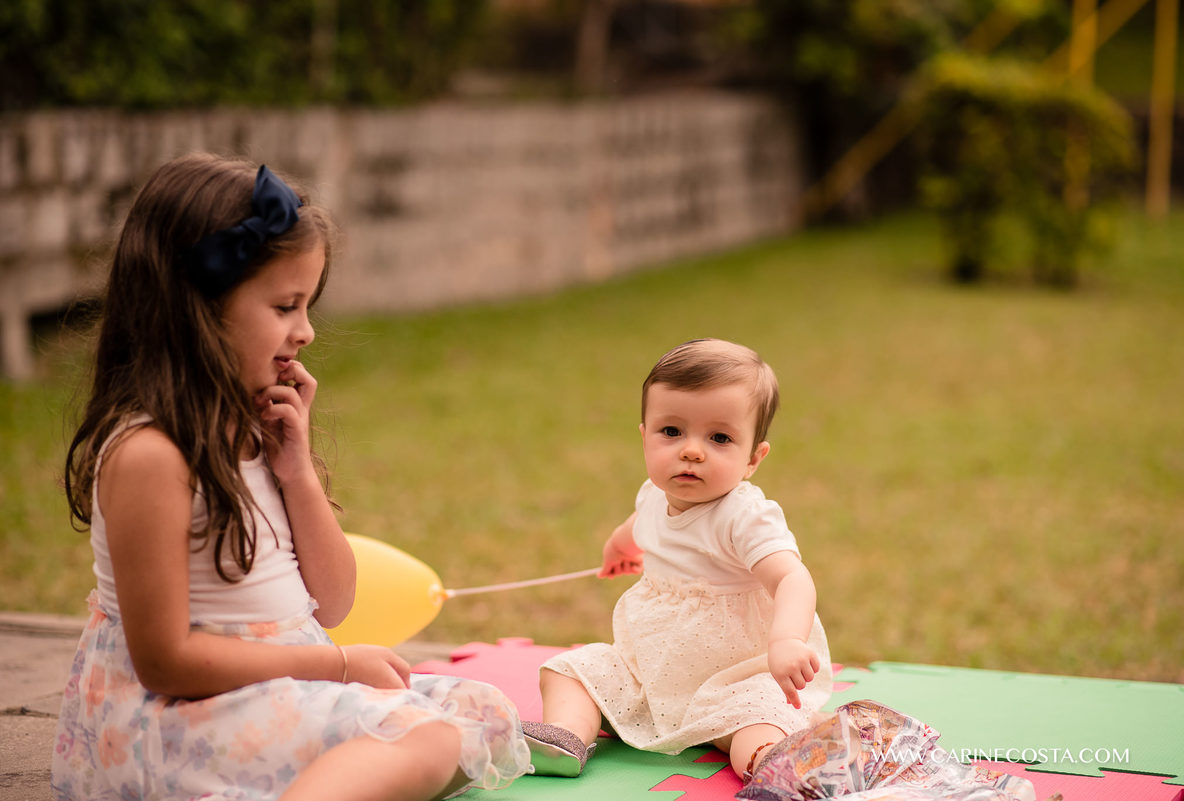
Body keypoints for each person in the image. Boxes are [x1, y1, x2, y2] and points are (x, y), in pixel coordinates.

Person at [53, 153, 530, 801]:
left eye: (308, 307)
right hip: (181, 718)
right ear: (198, 307)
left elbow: (333, 603)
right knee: (428, 738)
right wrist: (337, 664)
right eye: (285, 306)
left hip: (277, 685)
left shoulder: (256, 429)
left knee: (483, 709)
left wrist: (297, 472)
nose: (305, 332)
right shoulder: (150, 454)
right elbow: (165, 662)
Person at [525, 338, 833, 784]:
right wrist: (620, 548)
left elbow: (792, 578)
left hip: (734, 679)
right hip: (652, 673)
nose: (691, 450)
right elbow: (638, 524)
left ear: (753, 458)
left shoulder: (743, 516)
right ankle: (566, 736)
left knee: (758, 718)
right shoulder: (654, 494)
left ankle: (773, 762)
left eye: (719, 438)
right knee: (570, 671)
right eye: (671, 432)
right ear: (644, 436)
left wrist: (786, 640)